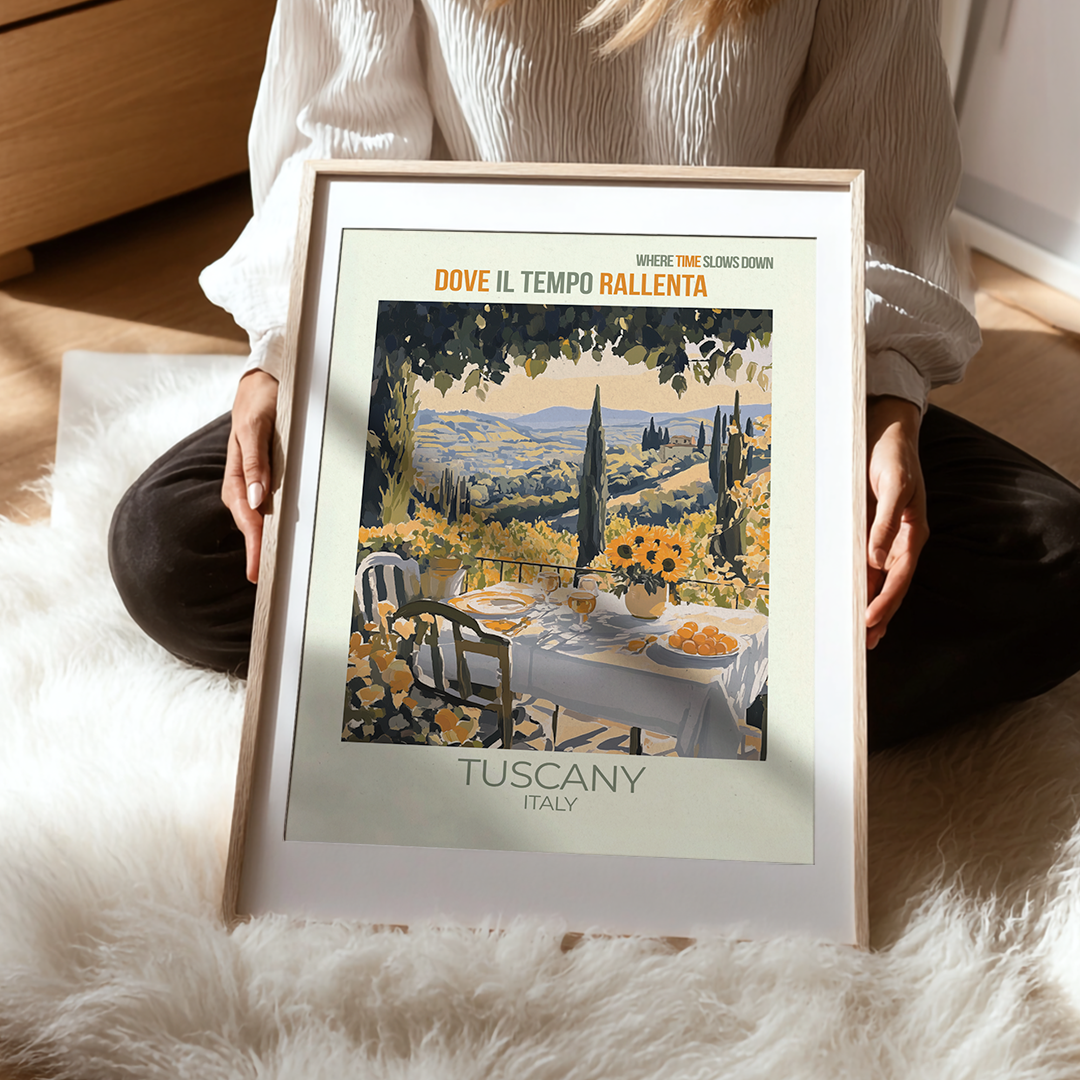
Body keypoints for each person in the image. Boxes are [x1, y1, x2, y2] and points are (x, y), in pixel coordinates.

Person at [108, 0, 1080, 749]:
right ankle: (726, 707)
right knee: (174, 547)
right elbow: (341, 141)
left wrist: (881, 400)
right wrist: (283, 355)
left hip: (758, 378)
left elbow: (873, 173)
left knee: (1057, 561)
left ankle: (492, 693)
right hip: (460, 367)